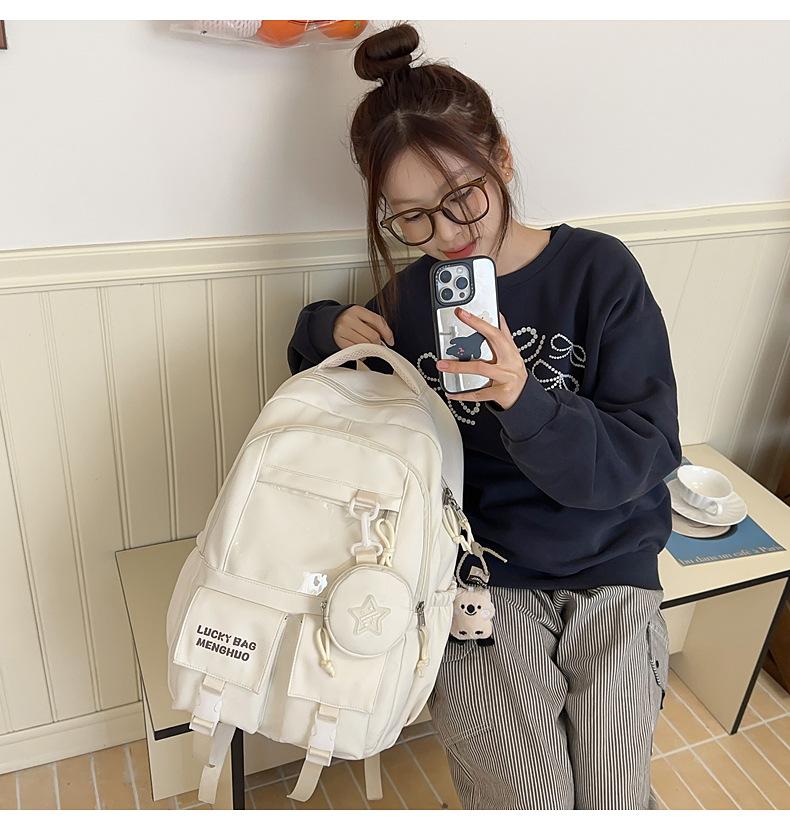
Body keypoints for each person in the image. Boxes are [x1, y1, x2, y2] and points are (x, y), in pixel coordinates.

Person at [287, 22, 682, 811]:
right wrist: (326, 325)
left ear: (501, 158)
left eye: (461, 198)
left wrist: (524, 400)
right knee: (528, 804)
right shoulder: (414, 298)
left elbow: (646, 451)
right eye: (412, 217)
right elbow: (322, 366)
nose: (444, 235)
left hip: (610, 563)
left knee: (612, 802)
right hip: (482, 573)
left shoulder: (597, 271)